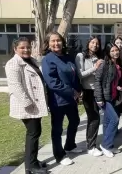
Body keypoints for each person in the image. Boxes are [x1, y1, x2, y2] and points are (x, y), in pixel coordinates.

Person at [5, 37, 48, 174]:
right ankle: (30, 166)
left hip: (36, 103)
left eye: (28, 47)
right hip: (27, 105)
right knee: (33, 133)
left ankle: (32, 160)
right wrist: (27, 103)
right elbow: (15, 86)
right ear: (15, 49)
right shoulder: (13, 64)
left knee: (35, 132)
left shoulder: (31, 60)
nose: (26, 50)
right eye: (22, 47)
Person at [41, 32, 82, 166]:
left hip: (71, 99)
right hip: (58, 100)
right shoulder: (48, 59)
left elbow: (74, 75)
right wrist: (71, 91)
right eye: (53, 41)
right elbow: (52, 82)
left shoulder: (67, 57)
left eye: (58, 40)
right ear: (48, 44)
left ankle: (69, 145)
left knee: (75, 121)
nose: (56, 43)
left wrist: (78, 91)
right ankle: (59, 155)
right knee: (57, 129)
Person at [75, 36, 104, 157]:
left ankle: (91, 144)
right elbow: (80, 75)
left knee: (95, 119)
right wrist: (95, 67)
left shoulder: (98, 57)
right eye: (93, 43)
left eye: (97, 43)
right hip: (88, 91)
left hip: (98, 90)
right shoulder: (80, 56)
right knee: (94, 118)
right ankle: (91, 147)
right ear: (88, 43)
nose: (95, 45)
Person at [94, 42, 122, 157]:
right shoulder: (104, 64)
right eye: (112, 51)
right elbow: (98, 81)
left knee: (107, 122)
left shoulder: (116, 64)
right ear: (108, 53)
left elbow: (111, 81)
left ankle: (109, 145)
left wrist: (118, 87)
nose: (115, 52)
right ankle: (105, 145)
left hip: (112, 96)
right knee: (114, 119)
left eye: (116, 50)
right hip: (104, 98)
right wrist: (100, 98)